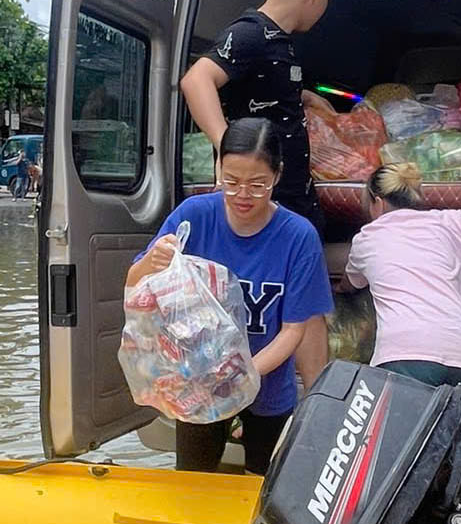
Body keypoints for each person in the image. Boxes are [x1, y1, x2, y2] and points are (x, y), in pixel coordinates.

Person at [126, 117, 332, 474]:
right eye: (231, 181)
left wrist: (242, 375)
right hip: (197, 382)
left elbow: (294, 331)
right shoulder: (193, 216)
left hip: (266, 386)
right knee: (194, 479)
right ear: (217, 167)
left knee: (263, 485)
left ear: (278, 176)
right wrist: (151, 264)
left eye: (258, 185)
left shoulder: (299, 237)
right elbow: (133, 288)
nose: (242, 196)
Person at [179, 0, 337, 390]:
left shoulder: (278, 44)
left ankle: (301, 401)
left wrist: (310, 101)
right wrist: (226, 147)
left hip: (291, 198)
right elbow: (196, 80)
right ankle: (315, 402)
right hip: (267, 198)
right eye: (325, 1)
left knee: (297, 308)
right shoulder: (250, 32)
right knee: (298, 311)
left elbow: (266, 93)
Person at [344, 163, 461, 443]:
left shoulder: (367, 238)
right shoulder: (454, 222)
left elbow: (352, 283)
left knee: (403, 456)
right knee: (452, 454)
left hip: (404, 355)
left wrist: (339, 287)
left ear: (377, 202)